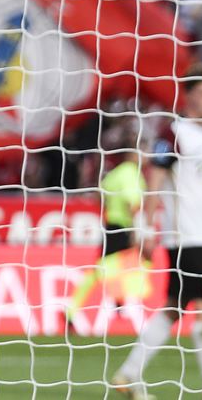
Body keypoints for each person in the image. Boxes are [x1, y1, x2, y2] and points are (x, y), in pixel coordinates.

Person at [112, 65, 202, 400]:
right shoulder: (173, 133)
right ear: (188, 95)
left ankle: (128, 374)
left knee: (175, 306)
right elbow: (155, 181)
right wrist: (145, 227)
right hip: (187, 235)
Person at [67, 136, 151, 326]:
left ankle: (117, 303)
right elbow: (134, 204)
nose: (147, 156)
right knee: (142, 261)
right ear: (133, 154)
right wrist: (139, 231)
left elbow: (99, 195)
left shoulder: (114, 174)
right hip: (124, 227)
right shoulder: (131, 173)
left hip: (111, 225)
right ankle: (117, 306)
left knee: (109, 268)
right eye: (144, 150)